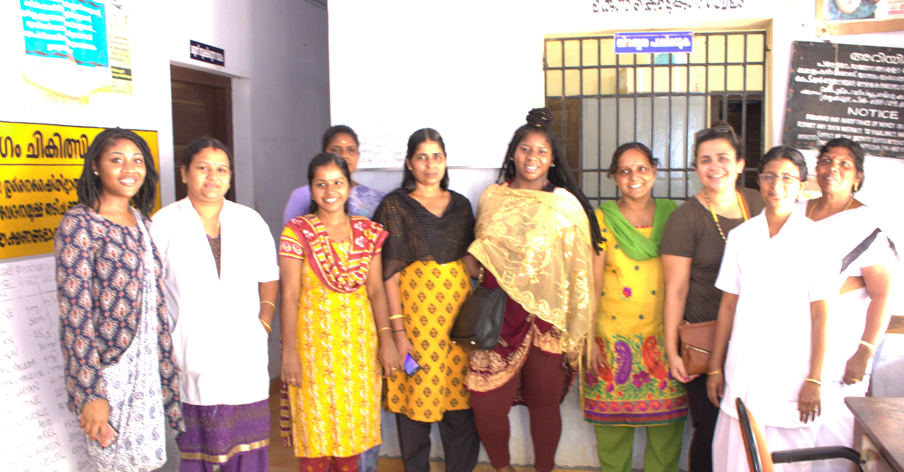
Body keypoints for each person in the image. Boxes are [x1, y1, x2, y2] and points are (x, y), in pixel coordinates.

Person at [466, 108, 605, 472]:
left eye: (542, 151)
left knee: (544, 406)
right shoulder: (492, 198)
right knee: (485, 405)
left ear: (552, 159)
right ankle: (503, 468)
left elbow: (581, 267)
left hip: (547, 320)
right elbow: (480, 254)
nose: (533, 157)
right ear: (513, 153)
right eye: (525, 148)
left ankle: (545, 468)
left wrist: (579, 324)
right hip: (498, 317)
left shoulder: (566, 205)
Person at [55, 128, 184, 472]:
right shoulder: (79, 225)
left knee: (167, 462)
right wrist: (90, 393)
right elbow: (75, 315)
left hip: (154, 373)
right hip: (111, 375)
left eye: (137, 160)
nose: (129, 169)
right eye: (117, 160)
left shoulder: (142, 222)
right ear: (96, 167)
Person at [151, 137, 278, 471]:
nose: (213, 176)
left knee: (247, 453)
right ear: (184, 173)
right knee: (193, 454)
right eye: (203, 168)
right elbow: (150, 289)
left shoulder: (250, 221)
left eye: (221, 169)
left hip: (244, 356)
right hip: (189, 354)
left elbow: (269, 276)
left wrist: (264, 323)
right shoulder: (163, 223)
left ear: (230, 176)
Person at [707, 145, 834, 471]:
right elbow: (728, 306)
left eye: (787, 178)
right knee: (737, 454)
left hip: (791, 373)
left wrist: (816, 379)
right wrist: (715, 367)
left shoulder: (816, 239)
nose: (777, 184)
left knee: (786, 460)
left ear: (802, 185)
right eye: (769, 176)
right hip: (744, 368)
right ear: (759, 181)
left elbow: (821, 314)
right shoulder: (742, 236)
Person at [278, 152, 401, 472]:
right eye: (321, 184)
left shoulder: (368, 232)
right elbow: (289, 295)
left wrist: (387, 341)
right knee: (314, 443)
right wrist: (289, 352)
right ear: (311, 188)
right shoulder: (297, 232)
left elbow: (376, 291)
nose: (330, 191)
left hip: (358, 354)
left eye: (337, 182)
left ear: (348, 186)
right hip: (312, 354)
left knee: (350, 444)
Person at [373, 128, 481, 472]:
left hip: (458, 323)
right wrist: (398, 333)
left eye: (437, 157)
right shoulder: (395, 206)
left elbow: (472, 265)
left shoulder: (460, 206)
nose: (430, 165)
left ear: (445, 161)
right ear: (409, 163)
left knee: (460, 406)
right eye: (422, 157)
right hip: (415, 323)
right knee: (414, 403)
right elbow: (388, 275)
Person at [660, 121, 764, 472]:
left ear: (740, 164)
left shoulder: (757, 202)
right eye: (705, 160)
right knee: (710, 428)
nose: (714, 166)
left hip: (752, 338)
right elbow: (676, 290)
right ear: (696, 167)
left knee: (749, 428)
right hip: (704, 342)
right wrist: (673, 350)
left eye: (723, 158)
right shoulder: (685, 219)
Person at [584, 142, 687, 472]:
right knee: (612, 434)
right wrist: (588, 339)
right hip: (611, 339)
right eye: (625, 171)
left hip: (664, 338)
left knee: (666, 433)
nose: (634, 177)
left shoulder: (674, 217)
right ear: (614, 177)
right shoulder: (601, 220)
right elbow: (593, 284)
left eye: (642, 168)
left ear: (654, 172)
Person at [797, 138, 897, 472]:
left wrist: (865, 351)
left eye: (844, 164)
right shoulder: (797, 212)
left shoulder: (865, 223)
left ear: (858, 176)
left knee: (831, 437)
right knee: (792, 435)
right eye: (827, 160)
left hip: (841, 351)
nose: (833, 169)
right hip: (793, 342)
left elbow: (882, 293)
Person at [282, 125, 385, 225]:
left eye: (351, 150)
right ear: (324, 154)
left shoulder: (375, 198)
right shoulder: (302, 196)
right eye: (336, 150)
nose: (344, 155)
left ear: (358, 155)